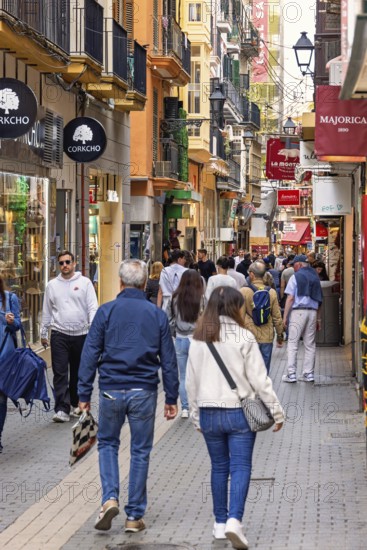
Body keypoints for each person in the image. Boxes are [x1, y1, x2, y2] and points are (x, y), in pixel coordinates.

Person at [77, 259, 179, 533]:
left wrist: (83, 393)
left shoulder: (106, 311)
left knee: (108, 444)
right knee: (140, 451)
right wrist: (172, 397)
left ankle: (110, 498)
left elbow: (90, 354)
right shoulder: (156, 315)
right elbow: (168, 359)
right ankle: (134, 516)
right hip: (143, 391)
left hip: (110, 389)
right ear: (145, 284)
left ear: (120, 284)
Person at [186, 286, 284, 548]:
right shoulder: (244, 337)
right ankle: (234, 521)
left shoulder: (198, 338)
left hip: (208, 412)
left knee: (219, 467)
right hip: (239, 414)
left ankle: (219, 523)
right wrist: (275, 411)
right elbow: (260, 380)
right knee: (240, 467)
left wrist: (195, 416)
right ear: (235, 307)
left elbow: (191, 382)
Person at [40, 250, 98, 423]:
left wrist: (93, 329)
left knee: (78, 372)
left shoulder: (85, 283)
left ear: (74, 263)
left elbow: (92, 307)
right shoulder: (52, 285)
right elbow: (47, 311)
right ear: (58, 265)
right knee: (59, 372)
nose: (64, 265)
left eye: (67, 262)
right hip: (59, 334)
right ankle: (61, 409)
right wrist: (43, 333)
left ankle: (74, 403)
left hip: (81, 334)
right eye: (61, 263)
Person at [282, 254, 323, 383]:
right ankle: (308, 374)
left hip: (298, 312)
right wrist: (319, 319)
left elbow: (290, 298)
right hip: (312, 312)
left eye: (294, 264)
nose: (293, 267)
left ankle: (291, 374)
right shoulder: (315, 277)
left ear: (299, 265)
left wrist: (285, 317)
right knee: (310, 344)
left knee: (293, 343)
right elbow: (320, 299)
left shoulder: (296, 276)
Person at [170, 270, 205, 418]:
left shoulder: (175, 298)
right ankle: (197, 406)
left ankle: (185, 408)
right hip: (197, 339)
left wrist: (175, 331)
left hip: (181, 339)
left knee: (183, 375)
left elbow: (170, 319)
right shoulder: (202, 298)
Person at [240, 261, 284, 373]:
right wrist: (280, 335)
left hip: (248, 336)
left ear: (251, 274)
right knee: (264, 371)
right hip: (266, 336)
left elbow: (239, 317)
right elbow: (277, 317)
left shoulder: (244, 291)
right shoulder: (272, 292)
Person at [0, 279, 21, 452]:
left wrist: (11, 322)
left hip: (4, 358)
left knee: (0, 400)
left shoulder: (9, 298)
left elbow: (18, 325)